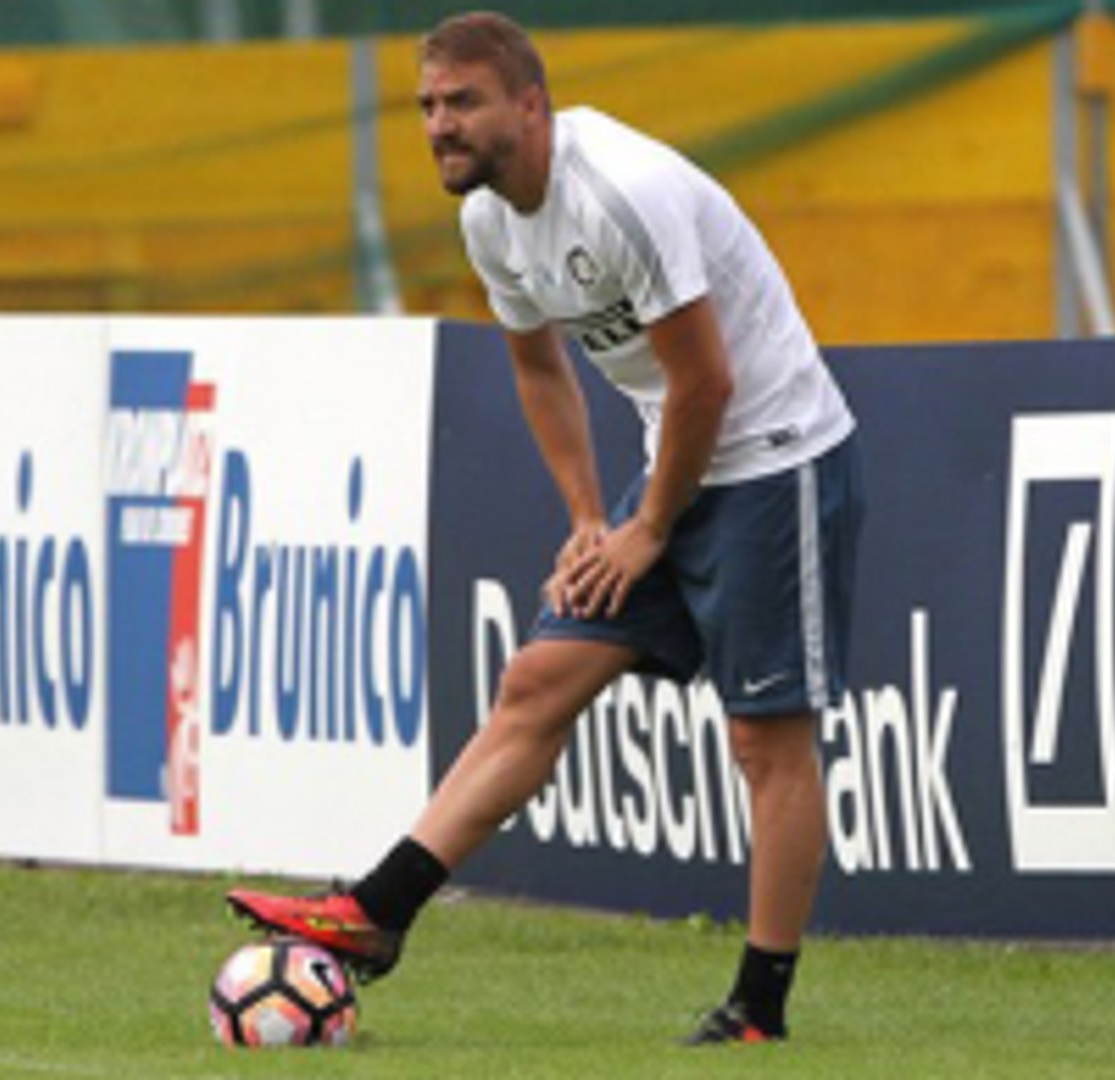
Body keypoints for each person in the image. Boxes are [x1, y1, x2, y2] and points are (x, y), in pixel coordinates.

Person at [227, 11, 863, 1046]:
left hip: (775, 458)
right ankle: (377, 913)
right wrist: (585, 518)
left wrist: (648, 527)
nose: (440, 124)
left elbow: (709, 378)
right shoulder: (490, 217)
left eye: (463, 101)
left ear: (532, 103)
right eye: (428, 105)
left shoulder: (623, 192)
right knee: (536, 681)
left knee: (766, 741)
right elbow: (539, 368)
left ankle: (759, 1008)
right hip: (680, 464)